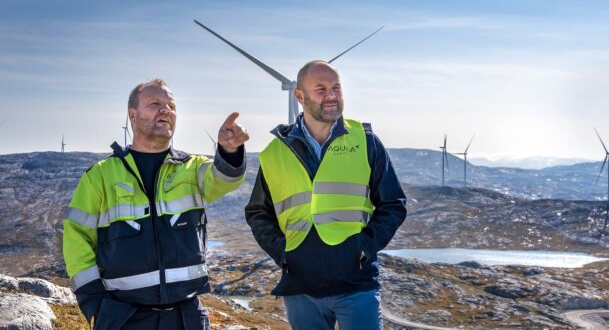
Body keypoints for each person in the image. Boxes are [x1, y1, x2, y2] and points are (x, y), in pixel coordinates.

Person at [63, 79, 249, 329]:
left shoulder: (191, 168)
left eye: (171, 105)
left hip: (187, 318)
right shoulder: (100, 176)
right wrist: (95, 304)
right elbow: (76, 240)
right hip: (124, 318)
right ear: (132, 114)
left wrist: (229, 151)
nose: (166, 110)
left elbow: (224, 179)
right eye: (155, 104)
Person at [245, 60, 406, 329]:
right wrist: (283, 252)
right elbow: (258, 212)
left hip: (357, 284)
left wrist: (365, 246)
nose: (331, 95)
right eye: (320, 89)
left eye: (336, 87)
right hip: (301, 287)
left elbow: (393, 204)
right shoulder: (276, 152)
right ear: (299, 95)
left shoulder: (365, 141)